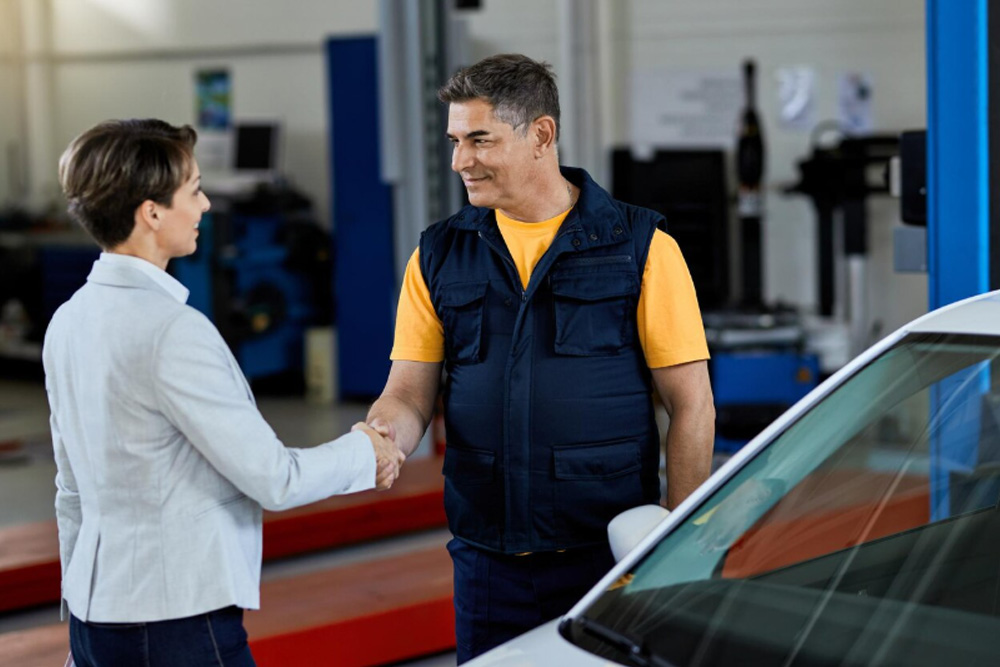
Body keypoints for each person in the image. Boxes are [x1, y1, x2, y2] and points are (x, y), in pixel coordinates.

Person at [365, 53, 715, 662]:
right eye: (454, 141)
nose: (459, 162)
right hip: (486, 560)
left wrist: (676, 544)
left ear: (541, 136)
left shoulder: (641, 248)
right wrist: (382, 432)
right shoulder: (439, 255)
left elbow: (691, 405)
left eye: (479, 140)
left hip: (607, 553)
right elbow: (409, 389)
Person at [46, 119, 404, 667]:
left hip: (98, 617)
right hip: (174, 622)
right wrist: (366, 452)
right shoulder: (172, 330)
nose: (207, 205)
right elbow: (273, 479)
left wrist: (80, 626)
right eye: (193, 190)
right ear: (152, 213)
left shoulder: (67, 321)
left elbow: (70, 490)